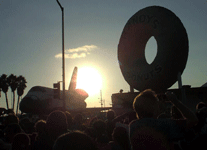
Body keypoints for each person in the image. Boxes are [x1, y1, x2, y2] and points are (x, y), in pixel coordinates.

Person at [129, 89, 198, 149]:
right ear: (153, 106)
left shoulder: (133, 126)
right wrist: (175, 101)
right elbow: (193, 119)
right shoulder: (162, 125)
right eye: (157, 103)